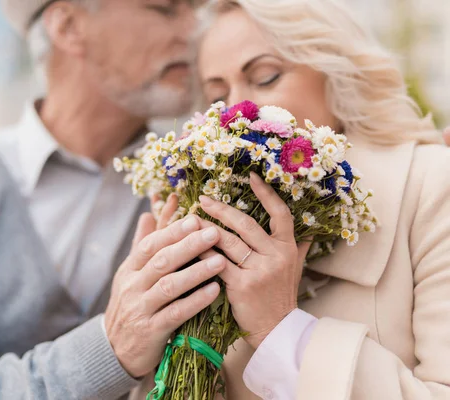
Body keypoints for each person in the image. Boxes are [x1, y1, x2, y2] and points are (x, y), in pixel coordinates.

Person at [0, 1, 228, 399]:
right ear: (68, 26)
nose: (194, 30)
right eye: (166, 9)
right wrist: (109, 350)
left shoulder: (207, 179)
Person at [132, 0, 450, 399]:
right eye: (218, 94)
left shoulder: (433, 187)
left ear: (337, 76)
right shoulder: (200, 220)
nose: (238, 112)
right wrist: (160, 325)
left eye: (265, 77)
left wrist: (281, 329)